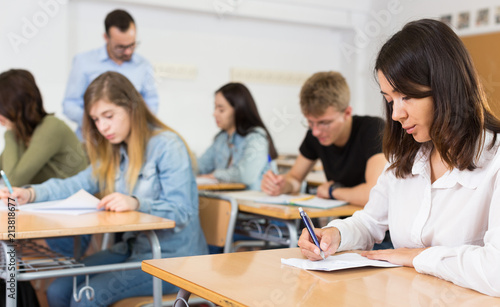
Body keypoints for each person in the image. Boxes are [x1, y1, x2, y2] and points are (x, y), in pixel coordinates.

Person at [298, 19, 500, 297]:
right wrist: (335, 235)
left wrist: (418, 257)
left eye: (406, 96)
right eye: (391, 99)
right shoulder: (408, 158)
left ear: (445, 88)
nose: (395, 114)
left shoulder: (495, 161)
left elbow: (496, 272)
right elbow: (370, 222)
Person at [1, 71, 208, 306]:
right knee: (58, 289)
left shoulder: (168, 146)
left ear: (132, 107)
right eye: (96, 120)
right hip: (132, 250)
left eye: (108, 116)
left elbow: (183, 212)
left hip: (173, 260)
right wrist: (31, 193)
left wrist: (137, 203)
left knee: (87, 296)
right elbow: (76, 183)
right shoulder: (115, 150)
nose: (102, 127)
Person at [261, 71, 387, 206]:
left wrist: (333, 191)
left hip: (377, 224)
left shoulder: (373, 129)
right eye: (310, 122)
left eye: (324, 123)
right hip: (345, 222)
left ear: (347, 113)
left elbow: (374, 195)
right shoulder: (315, 135)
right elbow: (295, 179)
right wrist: (281, 185)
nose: (315, 132)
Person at [62, 9, 158, 140]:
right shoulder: (84, 62)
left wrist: (133, 123)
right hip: (93, 141)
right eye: (121, 47)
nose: (128, 52)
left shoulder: (143, 65)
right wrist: (98, 122)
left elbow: (151, 102)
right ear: (106, 38)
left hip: (129, 141)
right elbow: (70, 104)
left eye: (132, 45)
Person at [0, 69, 88, 187]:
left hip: (74, 200)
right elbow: (3, 168)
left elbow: (13, 181)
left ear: (14, 105)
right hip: (48, 201)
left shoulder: (51, 127)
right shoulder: (24, 131)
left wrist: (10, 131)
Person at [197, 82, 278, 190]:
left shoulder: (256, 137)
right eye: (215, 108)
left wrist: (215, 175)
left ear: (239, 110)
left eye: (221, 110)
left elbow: (246, 175)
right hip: (229, 200)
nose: (214, 113)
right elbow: (200, 166)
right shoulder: (222, 138)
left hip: (253, 202)